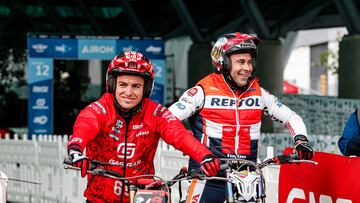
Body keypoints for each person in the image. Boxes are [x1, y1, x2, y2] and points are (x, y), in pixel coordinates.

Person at [168, 32, 314, 202]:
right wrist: (197, 152)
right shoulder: (201, 92)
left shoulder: (259, 93)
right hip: (208, 179)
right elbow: (167, 120)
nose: (247, 68)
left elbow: (291, 117)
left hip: (248, 180)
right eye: (241, 62)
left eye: (250, 62)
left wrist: (301, 141)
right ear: (222, 62)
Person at [67, 51, 220, 203]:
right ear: (112, 85)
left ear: (146, 89)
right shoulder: (99, 109)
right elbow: (85, 126)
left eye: (136, 86)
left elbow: (178, 134)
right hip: (99, 198)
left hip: (144, 194)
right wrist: (76, 149)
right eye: (123, 85)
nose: (129, 92)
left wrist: (204, 156)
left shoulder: (155, 112)